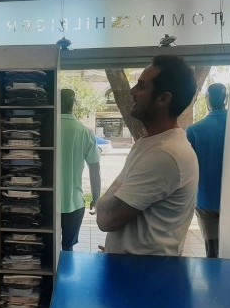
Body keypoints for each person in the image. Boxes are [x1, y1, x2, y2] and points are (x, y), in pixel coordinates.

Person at [96, 55, 199, 256]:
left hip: (145, 272)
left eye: (142, 86)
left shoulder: (165, 154)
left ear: (163, 99)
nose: (132, 91)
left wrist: (106, 199)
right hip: (130, 267)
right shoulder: (147, 144)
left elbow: (106, 219)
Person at [185, 83, 228, 258]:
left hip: (206, 199)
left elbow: (188, 168)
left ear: (207, 100)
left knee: (212, 251)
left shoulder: (194, 130)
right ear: (226, 99)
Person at [60, 89, 101, 251]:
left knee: (46, 248)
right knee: (68, 249)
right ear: (74, 104)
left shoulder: (47, 128)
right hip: (74, 202)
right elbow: (94, 168)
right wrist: (96, 197)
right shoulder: (86, 132)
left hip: (47, 202)